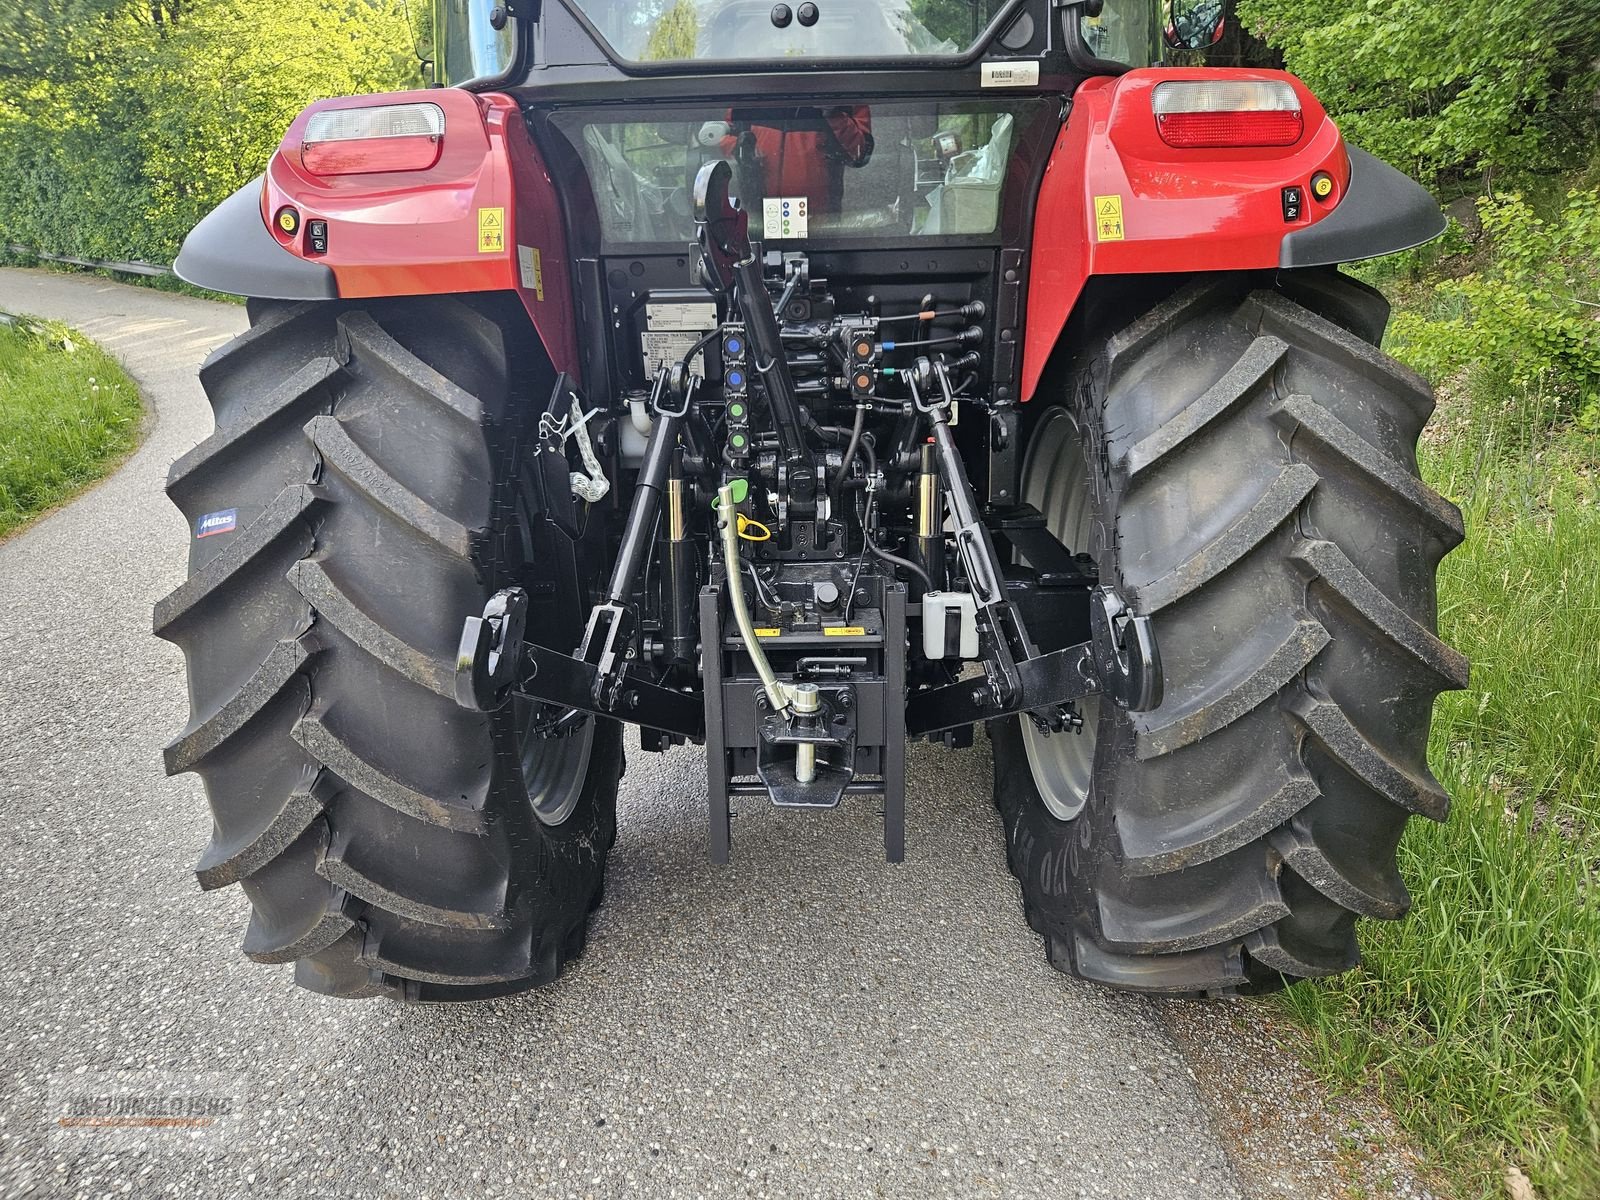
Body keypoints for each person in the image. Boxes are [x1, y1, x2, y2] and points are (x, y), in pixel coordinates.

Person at [711, 106, 874, 214]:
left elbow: (859, 153)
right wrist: (742, 149)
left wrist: (834, 114)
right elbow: (725, 135)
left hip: (821, 216)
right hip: (758, 210)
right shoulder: (750, 81)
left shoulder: (844, 83)